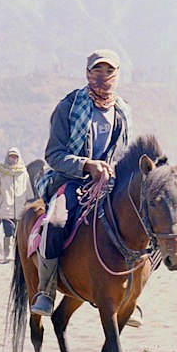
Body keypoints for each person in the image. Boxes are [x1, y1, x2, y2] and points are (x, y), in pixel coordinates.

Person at [34, 49, 133, 317]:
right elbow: (53, 155)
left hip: (110, 183)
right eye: (97, 71)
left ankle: (131, 293)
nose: (103, 77)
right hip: (70, 181)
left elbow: (123, 155)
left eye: (109, 71)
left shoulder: (123, 111)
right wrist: (86, 165)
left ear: (117, 75)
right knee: (54, 224)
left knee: (141, 220)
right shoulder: (68, 107)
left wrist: (112, 172)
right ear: (87, 73)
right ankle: (46, 288)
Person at [0, 147, 34, 262]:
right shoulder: (0, 172)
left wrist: (31, 202)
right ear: (7, 158)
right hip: (5, 207)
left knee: (18, 232)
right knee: (8, 231)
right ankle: (7, 254)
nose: (13, 159)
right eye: (11, 156)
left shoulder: (23, 172)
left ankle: (17, 253)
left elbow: (28, 189)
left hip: (20, 208)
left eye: (15, 157)